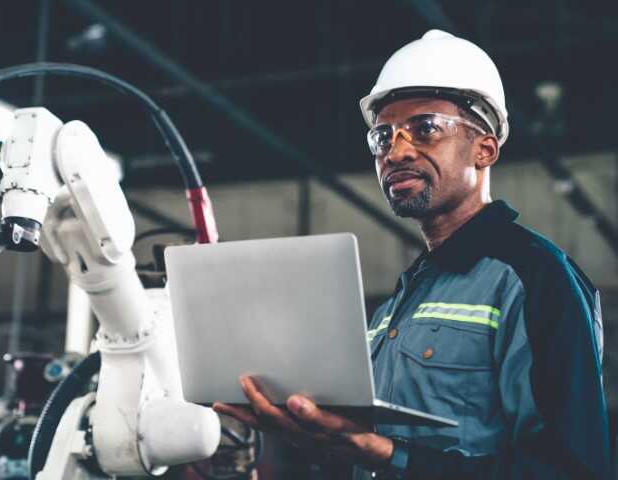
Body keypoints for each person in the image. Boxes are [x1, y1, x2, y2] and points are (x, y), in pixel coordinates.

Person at [213, 30, 610, 479]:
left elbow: (572, 470)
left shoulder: (532, 275)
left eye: (425, 129)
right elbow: (367, 451)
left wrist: (384, 452)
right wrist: (316, 436)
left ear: (485, 149)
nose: (396, 151)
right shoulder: (394, 309)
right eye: (382, 137)